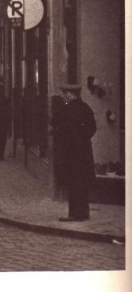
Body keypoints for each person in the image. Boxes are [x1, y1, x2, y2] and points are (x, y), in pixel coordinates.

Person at [57, 84, 96, 222]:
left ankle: (74, 214)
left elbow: (62, 132)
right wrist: (83, 139)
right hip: (84, 152)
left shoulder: (67, 110)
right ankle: (83, 212)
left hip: (72, 153)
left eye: (64, 93)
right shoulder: (86, 108)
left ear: (70, 94)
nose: (62, 96)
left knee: (73, 182)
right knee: (82, 182)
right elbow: (93, 128)